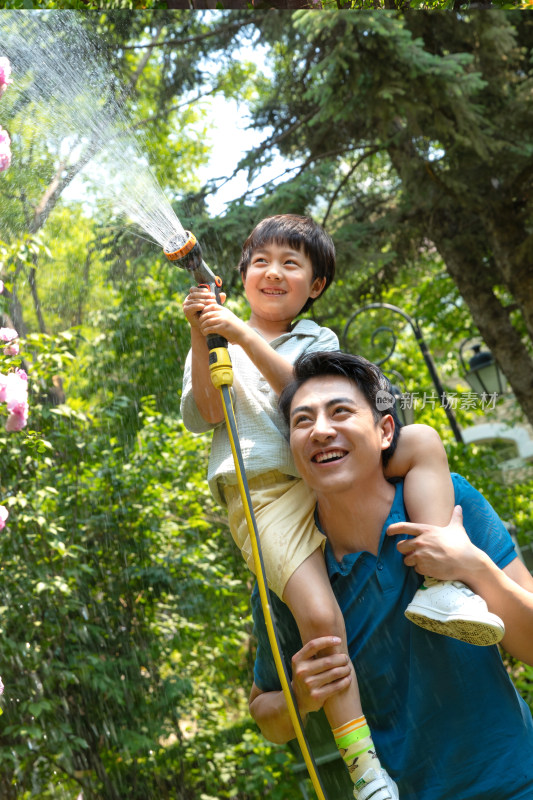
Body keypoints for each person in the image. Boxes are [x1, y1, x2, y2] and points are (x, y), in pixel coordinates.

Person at [180, 215, 501, 799]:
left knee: (424, 439)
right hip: (266, 493)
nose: (272, 272)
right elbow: (207, 410)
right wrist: (208, 336)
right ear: (241, 273)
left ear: (316, 286)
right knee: (322, 621)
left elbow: (310, 399)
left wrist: (245, 336)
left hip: (333, 468)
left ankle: (442, 580)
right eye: (260, 261)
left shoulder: (316, 342)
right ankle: (366, 771)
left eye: (291, 264)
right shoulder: (216, 334)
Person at [249, 350, 533, 800]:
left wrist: (470, 566)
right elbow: (265, 712)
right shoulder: (292, 575)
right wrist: (299, 698)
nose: (321, 430)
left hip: (519, 780)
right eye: (302, 422)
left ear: (385, 431)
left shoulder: (452, 503)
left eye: (340, 411)